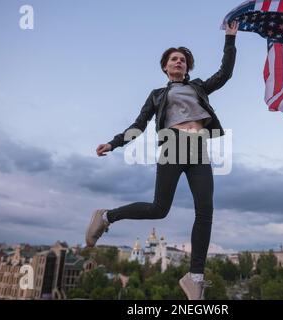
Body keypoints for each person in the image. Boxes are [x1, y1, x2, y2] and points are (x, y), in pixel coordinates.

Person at [85, 21, 239, 300]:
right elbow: (139, 125)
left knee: (205, 209)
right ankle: (106, 216)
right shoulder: (157, 95)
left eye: (182, 59)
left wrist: (230, 38)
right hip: (172, 145)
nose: (178, 62)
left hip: (198, 148)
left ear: (187, 67)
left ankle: (195, 277)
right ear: (165, 67)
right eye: (173, 59)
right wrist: (113, 142)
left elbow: (226, 73)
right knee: (159, 209)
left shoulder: (199, 87)